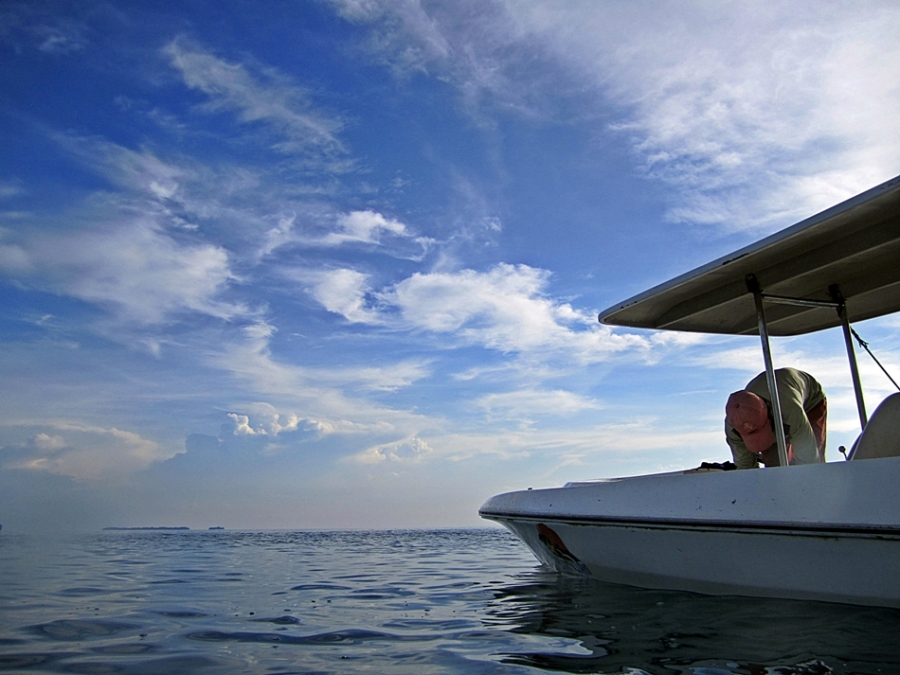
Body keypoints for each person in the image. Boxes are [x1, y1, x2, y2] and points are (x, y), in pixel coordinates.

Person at [725, 367, 827, 469]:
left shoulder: (789, 409)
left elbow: (809, 459)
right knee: (774, 464)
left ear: (768, 411)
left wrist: (806, 475)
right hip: (778, 405)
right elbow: (745, 465)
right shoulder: (732, 427)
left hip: (811, 402)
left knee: (813, 454)